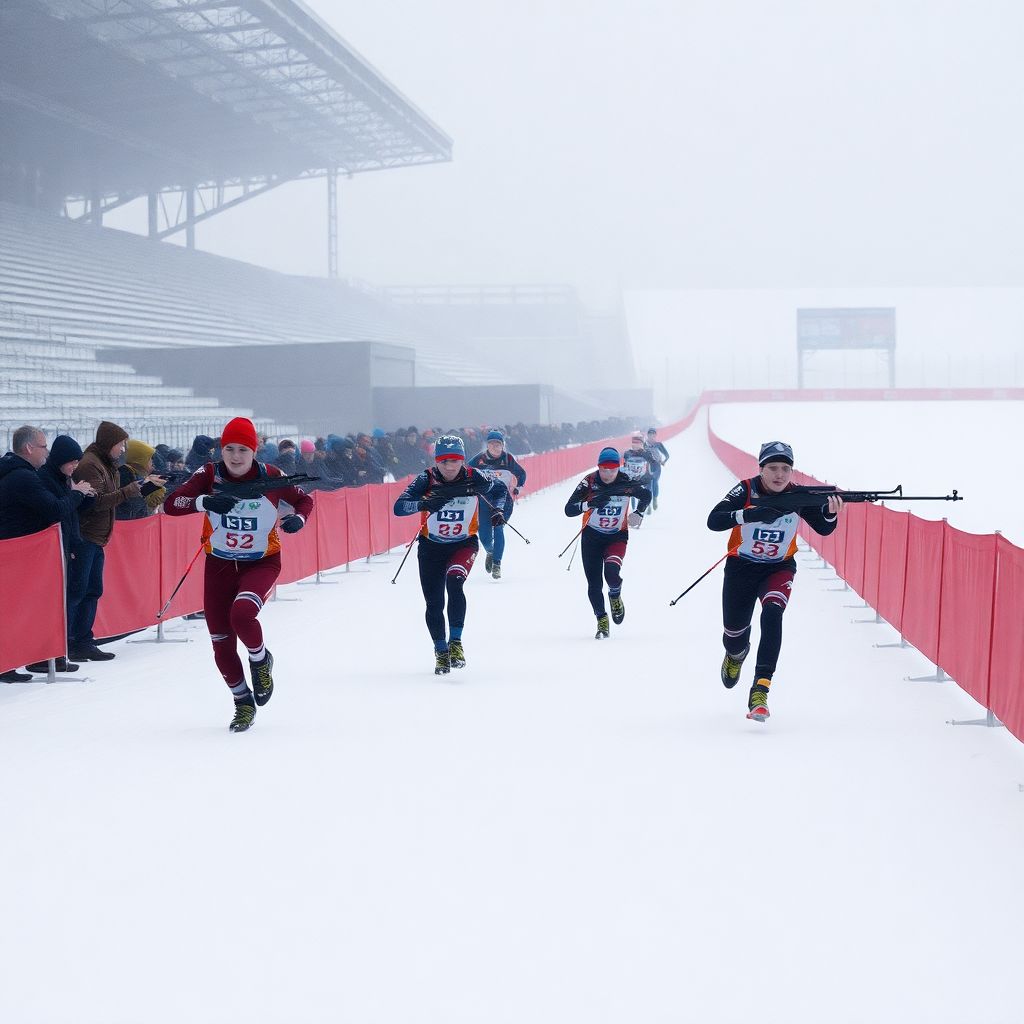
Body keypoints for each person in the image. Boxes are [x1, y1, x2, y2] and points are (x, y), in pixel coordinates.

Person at [164, 417, 313, 732]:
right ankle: (243, 703)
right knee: (221, 641)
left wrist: (298, 519)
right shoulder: (209, 474)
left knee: (242, 614)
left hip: (261, 562)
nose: (235, 456)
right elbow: (172, 504)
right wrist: (205, 501)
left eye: (243, 449)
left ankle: (260, 660)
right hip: (218, 565)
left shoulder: (271, 476)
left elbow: (304, 499)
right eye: (229, 448)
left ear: (254, 451)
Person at [706, 440, 843, 722]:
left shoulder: (798, 495)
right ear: (761, 469)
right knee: (734, 636)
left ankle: (760, 690)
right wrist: (749, 514)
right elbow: (714, 520)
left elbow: (824, 528)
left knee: (772, 614)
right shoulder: (746, 489)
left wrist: (830, 513)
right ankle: (736, 654)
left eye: (785, 469)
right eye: (773, 468)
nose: (779, 475)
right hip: (741, 568)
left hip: (779, 568)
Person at [393, 434, 509, 674]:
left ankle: (455, 642)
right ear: (436, 461)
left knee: (455, 583)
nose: (449, 466)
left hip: (463, 544)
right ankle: (441, 651)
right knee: (434, 602)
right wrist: (424, 503)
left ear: (462, 460)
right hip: (431, 547)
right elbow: (399, 507)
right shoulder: (426, 478)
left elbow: (500, 490)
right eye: (443, 461)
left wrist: (498, 510)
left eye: (454, 460)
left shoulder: (474, 476)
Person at [0, 426, 93, 681]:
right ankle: (9, 664)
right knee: (16, 610)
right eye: (43, 446)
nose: (46, 452)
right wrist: (76, 493)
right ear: (29, 448)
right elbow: (54, 509)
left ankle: (17, 661)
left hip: (21, 551)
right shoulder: (23, 477)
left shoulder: (22, 473)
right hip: (20, 551)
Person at [25, 435, 97, 674]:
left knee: (74, 595)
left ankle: (61, 649)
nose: (75, 466)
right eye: (72, 461)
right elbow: (56, 511)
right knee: (63, 601)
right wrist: (76, 494)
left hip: (69, 545)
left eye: (77, 461)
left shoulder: (64, 479)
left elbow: (71, 511)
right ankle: (53, 651)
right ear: (60, 459)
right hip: (54, 548)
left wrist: (86, 497)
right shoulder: (45, 479)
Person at [564, 447, 651, 638]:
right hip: (591, 537)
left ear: (619, 468)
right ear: (598, 467)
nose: (608, 474)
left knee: (611, 573)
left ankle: (615, 594)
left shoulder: (626, 481)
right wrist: (588, 504)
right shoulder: (589, 481)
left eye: (613, 469)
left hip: (616, 536)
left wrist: (639, 512)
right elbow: (568, 509)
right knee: (594, 584)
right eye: (604, 469)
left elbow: (646, 495)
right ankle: (602, 621)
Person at [467, 429, 527, 579]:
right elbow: (465, 472)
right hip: (485, 501)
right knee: (484, 536)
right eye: (492, 444)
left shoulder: (508, 459)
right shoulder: (479, 459)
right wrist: (470, 487)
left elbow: (521, 474)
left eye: (498, 444)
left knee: (498, 528)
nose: (495, 447)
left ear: (503, 445)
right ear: (487, 445)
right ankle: (491, 551)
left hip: (503, 501)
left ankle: (497, 564)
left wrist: (518, 487)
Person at [622, 431, 659, 511]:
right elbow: (624, 464)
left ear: (642, 444)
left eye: (637, 443)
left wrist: (652, 472)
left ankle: (647, 505)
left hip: (645, 476)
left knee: (646, 491)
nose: (635, 445)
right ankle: (633, 508)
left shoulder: (646, 453)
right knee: (631, 492)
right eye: (633, 443)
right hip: (631, 476)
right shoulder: (627, 453)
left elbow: (654, 464)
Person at [644, 427, 670, 511]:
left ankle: (655, 499)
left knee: (655, 482)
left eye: (653, 435)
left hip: (657, 466)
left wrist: (663, 461)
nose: (651, 436)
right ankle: (648, 505)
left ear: (655, 436)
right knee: (648, 485)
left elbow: (667, 455)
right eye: (650, 434)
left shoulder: (658, 444)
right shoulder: (644, 444)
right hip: (647, 467)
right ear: (647, 435)